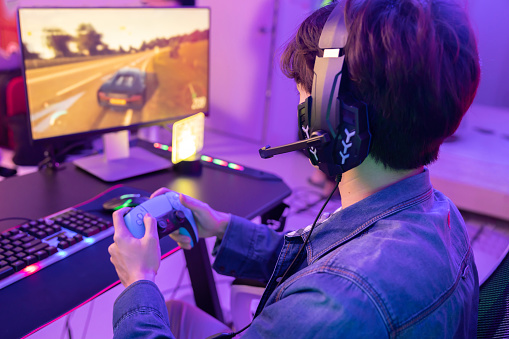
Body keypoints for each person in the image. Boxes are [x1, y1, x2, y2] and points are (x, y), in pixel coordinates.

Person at [108, 0, 481, 337]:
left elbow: (335, 283)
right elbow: (329, 259)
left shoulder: (333, 306)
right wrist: (222, 226)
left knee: (154, 311)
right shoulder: (441, 214)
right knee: (171, 312)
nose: (299, 109)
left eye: (303, 95)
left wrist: (139, 280)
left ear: (333, 119)